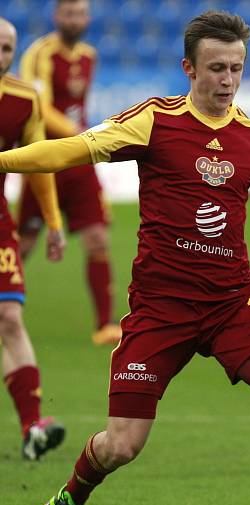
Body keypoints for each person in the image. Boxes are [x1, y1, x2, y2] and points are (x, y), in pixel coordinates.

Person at [0, 11, 250, 505]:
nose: (227, 80)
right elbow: (73, 148)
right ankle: (69, 497)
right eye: (216, 68)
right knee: (122, 445)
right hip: (160, 309)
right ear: (188, 68)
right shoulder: (155, 120)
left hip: (231, 304)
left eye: (237, 69)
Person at [17, 0, 120, 346]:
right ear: (56, 16)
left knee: (97, 238)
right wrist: (82, 136)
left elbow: (77, 107)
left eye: (81, 14)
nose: (76, 20)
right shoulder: (40, 54)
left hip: (78, 161)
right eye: (69, 14)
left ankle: (105, 325)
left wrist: (82, 142)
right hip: (46, 160)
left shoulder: (89, 55)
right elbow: (41, 108)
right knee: (24, 242)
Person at [0, 17, 67, 460]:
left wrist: (53, 221)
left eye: (7, 48)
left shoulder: (24, 99)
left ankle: (33, 427)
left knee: (9, 317)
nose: (0, 54)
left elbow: (39, 164)